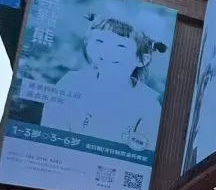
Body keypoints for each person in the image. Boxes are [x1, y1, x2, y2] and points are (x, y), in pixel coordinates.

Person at [40, 13, 167, 151]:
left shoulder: (148, 103)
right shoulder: (71, 82)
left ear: (142, 60)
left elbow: (146, 150)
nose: (106, 50)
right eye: (100, 41)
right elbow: (51, 128)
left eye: (120, 46)